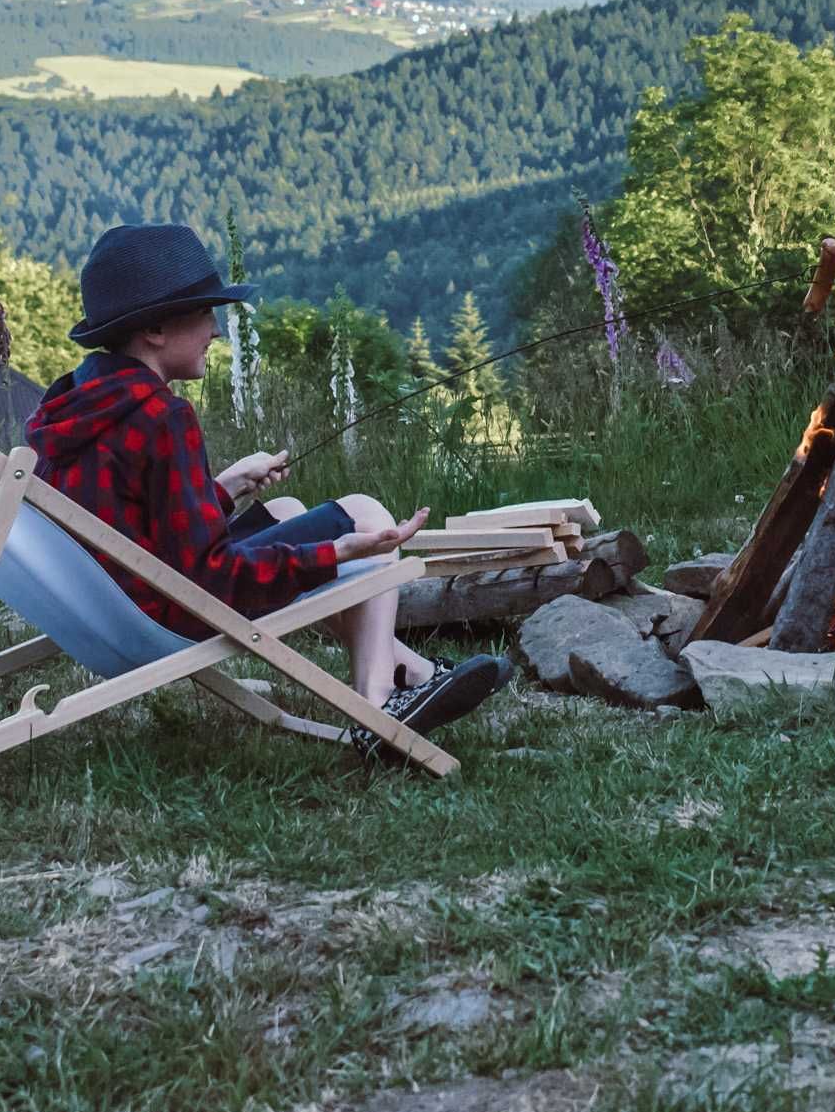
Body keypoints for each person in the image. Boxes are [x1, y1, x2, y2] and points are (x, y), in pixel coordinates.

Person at [27, 223, 510, 745]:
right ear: (156, 330)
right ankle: (378, 709)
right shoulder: (162, 417)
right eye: (204, 314)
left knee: (283, 510)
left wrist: (225, 486)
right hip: (170, 616)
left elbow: (132, 525)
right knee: (366, 512)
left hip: (115, 611)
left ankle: (408, 671)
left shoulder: (75, 402)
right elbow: (212, 580)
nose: (215, 331)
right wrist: (338, 552)